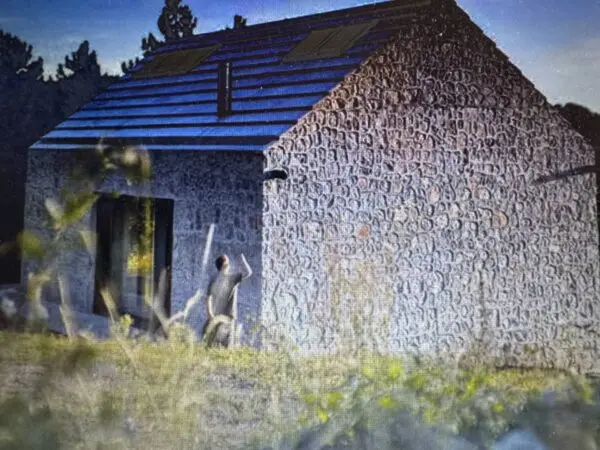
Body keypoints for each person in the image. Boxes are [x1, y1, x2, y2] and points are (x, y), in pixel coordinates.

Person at [202, 253, 252, 347]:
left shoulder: (217, 280)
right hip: (225, 318)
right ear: (224, 265)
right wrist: (242, 259)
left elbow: (208, 299)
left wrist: (211, 315)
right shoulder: (231, 278)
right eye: (228, 263)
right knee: (223, 346)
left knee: (214, 346)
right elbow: (248, 272)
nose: (229, 265)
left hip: (220, 317)